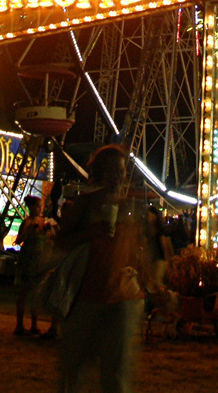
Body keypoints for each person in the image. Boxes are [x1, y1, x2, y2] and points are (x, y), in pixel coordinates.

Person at [55, 144, 149, 393]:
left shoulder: (132, 206)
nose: (118, 177)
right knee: (72, 372)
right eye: (111, 171)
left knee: (116, 375)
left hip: (122, 300)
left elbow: (138, 250)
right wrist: (92, 232)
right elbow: (61, 242)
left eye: (121, 172)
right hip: (86, 297)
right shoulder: (84, 205)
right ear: (98, 173)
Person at [14, 195, 56, 337]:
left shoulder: (44, 222)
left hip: (39, 261)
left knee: (35, 295)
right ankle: (20, 325)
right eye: (37, 206)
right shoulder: (27, 222)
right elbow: (18, 240)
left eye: (40, 206)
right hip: (28, 261)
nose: (39, 209)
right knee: (25, 293)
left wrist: (49, 231)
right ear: (31, 207)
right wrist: (30, 231)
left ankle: (34, 325)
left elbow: (53, 237)